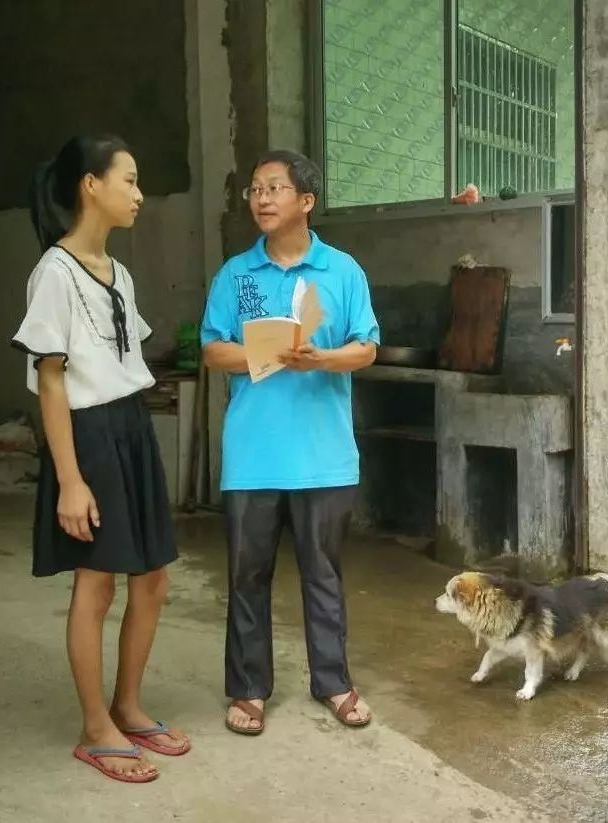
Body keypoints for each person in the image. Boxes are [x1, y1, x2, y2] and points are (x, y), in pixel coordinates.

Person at [11, 135, 190, 783]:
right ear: (91, 185)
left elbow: (124, 360)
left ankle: (128, 705)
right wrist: (69, 480)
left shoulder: (121, 273)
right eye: (131, 180)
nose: (139, 194)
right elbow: (51, 381)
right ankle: (94, 727)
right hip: (85, 438)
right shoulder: (53, 274)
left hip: (130, 430)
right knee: (97, 582)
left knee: (153, 579)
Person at [200, 149, 380, 735]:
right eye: (255, 189)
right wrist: (273, 352)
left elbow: (366, 348)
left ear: (306, 200)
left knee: (322, 574)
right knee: (246, 575)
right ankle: (248, 689)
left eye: (274, 188)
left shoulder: (343, 271)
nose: (261, 199)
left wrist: (320, 359)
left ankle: (334, 681)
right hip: (253, 454)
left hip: (323, 457)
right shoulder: (235, 275)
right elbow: (212, 350)